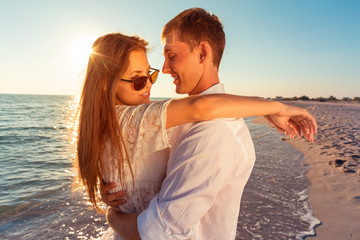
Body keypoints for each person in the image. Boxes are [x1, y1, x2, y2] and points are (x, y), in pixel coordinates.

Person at [98, 8, 317, 240]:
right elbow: (202, 107)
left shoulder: (212, 132)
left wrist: (113, 217)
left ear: (202, 53)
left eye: (171, 56)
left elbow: (159, 232)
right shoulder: (194, 118)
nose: (163, 70)